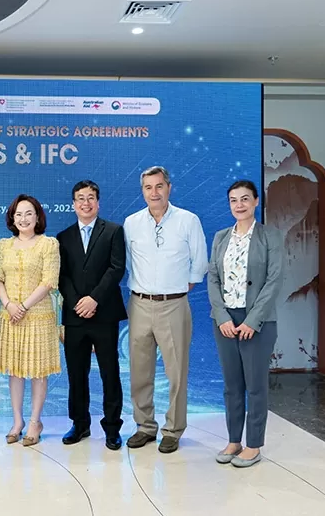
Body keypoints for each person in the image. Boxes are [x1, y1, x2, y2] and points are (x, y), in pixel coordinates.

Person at [124, 166, 207, 454]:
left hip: (174, 304)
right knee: (139, 371)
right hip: (139, 304)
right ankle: (145, 426)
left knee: (176, 372)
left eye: (159, 186)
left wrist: (177, 288)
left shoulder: (188, 220)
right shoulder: (131, 223)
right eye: (148, 187)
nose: (154, 192)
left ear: (169, 188)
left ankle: (173, 430)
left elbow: (200, 262)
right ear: (142, 191)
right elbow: (129, 263)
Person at [208, 180, 284, 468]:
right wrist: (222, 316)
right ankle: (233, 441)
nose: (238, 205)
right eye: (233, 200)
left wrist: (253, 320)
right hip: (226, 322)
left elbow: (274, 280)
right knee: (232, 386)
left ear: (255, 201)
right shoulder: (220, 237)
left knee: (255, 386)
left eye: (244, 199)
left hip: (257, 322)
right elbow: (213, 278)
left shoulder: (270, 236)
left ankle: (253, 445)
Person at [56, 180, 127, 451]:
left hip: (104, 313)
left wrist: (94, 298)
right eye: (80, 198)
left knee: (110, 373)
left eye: (90, 198)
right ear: (73, 204)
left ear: (98, 202)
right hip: (75, 315)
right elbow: (62, 275)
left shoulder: (113, 231)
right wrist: (78, 302)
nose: (85, 203)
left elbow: (116, 268)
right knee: (77, 373)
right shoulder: (63, 237)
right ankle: (80, 424)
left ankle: (112, 427)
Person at [0, 195, 60, 447]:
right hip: (9, 316)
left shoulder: (48, 244)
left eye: (28, 213)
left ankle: (34, 422)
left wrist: (23, 306)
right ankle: (17, 421)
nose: (23, 219)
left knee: (38, 371)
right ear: (12, 218)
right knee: (15, 370)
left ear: (37, 216)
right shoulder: (3, 246)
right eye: (18, 214)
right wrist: (9, 305)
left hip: (38, 316)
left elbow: (49, 280)